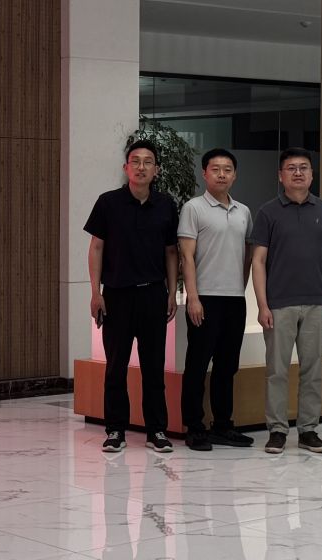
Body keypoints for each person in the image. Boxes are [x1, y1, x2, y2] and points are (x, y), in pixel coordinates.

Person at [84, 139, 179, 455]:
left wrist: (172, 291)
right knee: (116, 368)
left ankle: (156, 430)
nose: (141, 167)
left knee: (154, 368)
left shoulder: (166, 205)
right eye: (135, 161)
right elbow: (96, 247)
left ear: (157, 170)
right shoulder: (108, 203)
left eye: (148, 162)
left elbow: (171, 252)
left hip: (153, 295)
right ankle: (115, 430)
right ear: (126, 168)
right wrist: (95, 292)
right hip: (116, 296)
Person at [250, 148, 322, 454]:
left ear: (312, 175)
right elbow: (258, 261)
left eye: (304, 168)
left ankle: (308, 430)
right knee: (276, 370)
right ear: (281, 175)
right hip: (279, 303)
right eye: (291, 168)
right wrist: (262, 305)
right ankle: (277, 430)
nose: (298, 173)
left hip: (318, 302)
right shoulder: (268, 212)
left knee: (312, 370)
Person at [177, 148, 256, 451]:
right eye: (215, 169)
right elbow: (186, 256)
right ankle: (194, 427)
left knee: (227, 365)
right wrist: (193, 298)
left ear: (235, 175)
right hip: (205, 298)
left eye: (227, 169)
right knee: (197, 365)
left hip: (234, 300)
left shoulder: (243, 211)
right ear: (204, 173)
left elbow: (248, 255)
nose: (222, 174)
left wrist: (241, 288)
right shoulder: (193, 208)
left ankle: (223, 425)